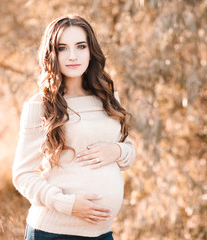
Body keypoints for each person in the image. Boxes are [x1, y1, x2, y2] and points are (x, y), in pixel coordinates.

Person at [12, 14, 135, 240]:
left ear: (91, 51)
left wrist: (117, 151)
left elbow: (128, 149)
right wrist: (68, 205)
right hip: (55, 232)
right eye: (62, 48)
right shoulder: (41, 104)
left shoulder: (107, 98)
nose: (72, 56)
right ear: (52, 54)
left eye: (80, 46)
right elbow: (22, 175)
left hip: (101, 233)